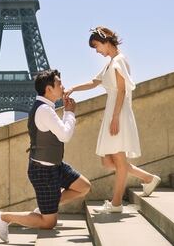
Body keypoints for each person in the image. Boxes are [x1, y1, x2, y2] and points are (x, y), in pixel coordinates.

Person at [64, 27, 160, 213]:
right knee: (108, 161)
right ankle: (148, 178)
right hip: (113, 111)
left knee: (118, 161)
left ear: (106, 42)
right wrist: (73, 88)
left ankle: (116, 204)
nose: (96, 51)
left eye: (96, 46)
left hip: (118, 113)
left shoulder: (119, 60)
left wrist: (115, 118)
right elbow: (94, 82)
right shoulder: (111, 63)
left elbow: (122, 90)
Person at [0, 69, 91, 243]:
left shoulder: (46, 107)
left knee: (83, 187)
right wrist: (70, 112)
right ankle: (4, 217)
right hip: (43, 172)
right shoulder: (44, 110)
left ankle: (48, 205)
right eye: (59, 84)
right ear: (49, 89)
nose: (63, 86)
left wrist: (66, 112)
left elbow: (59, 132)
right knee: (48, 223)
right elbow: (65, 135)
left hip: (55, 165)